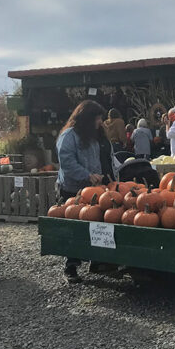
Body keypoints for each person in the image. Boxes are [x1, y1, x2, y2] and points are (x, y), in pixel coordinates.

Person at [56, 100, 115, 283]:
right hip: (73, 189)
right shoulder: (69, 136)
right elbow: (67, 163)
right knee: (75, 228)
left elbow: (103, 158)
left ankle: (97, 260)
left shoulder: (94, 137)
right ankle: (71, 266)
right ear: (87, 119)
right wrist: (87, 175)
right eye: (97, 118)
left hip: (94, 190)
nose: (100, 122)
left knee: (95, 224)